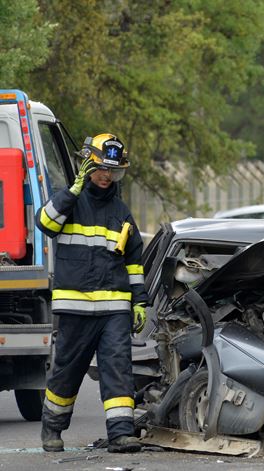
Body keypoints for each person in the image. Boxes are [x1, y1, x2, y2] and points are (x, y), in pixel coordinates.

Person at [36, 134, 148, 453]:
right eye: (100, 168)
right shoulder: (69, 202)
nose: (106, 176)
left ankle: (121, 433)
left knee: (118, 370)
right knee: (67, 372)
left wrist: (139, 302)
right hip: (75, 309)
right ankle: (52, 427)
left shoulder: (121, 212)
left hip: (114, 310)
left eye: (113, 170)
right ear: (86, 165)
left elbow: (134, 262)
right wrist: (72, 191)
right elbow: (45, 223)